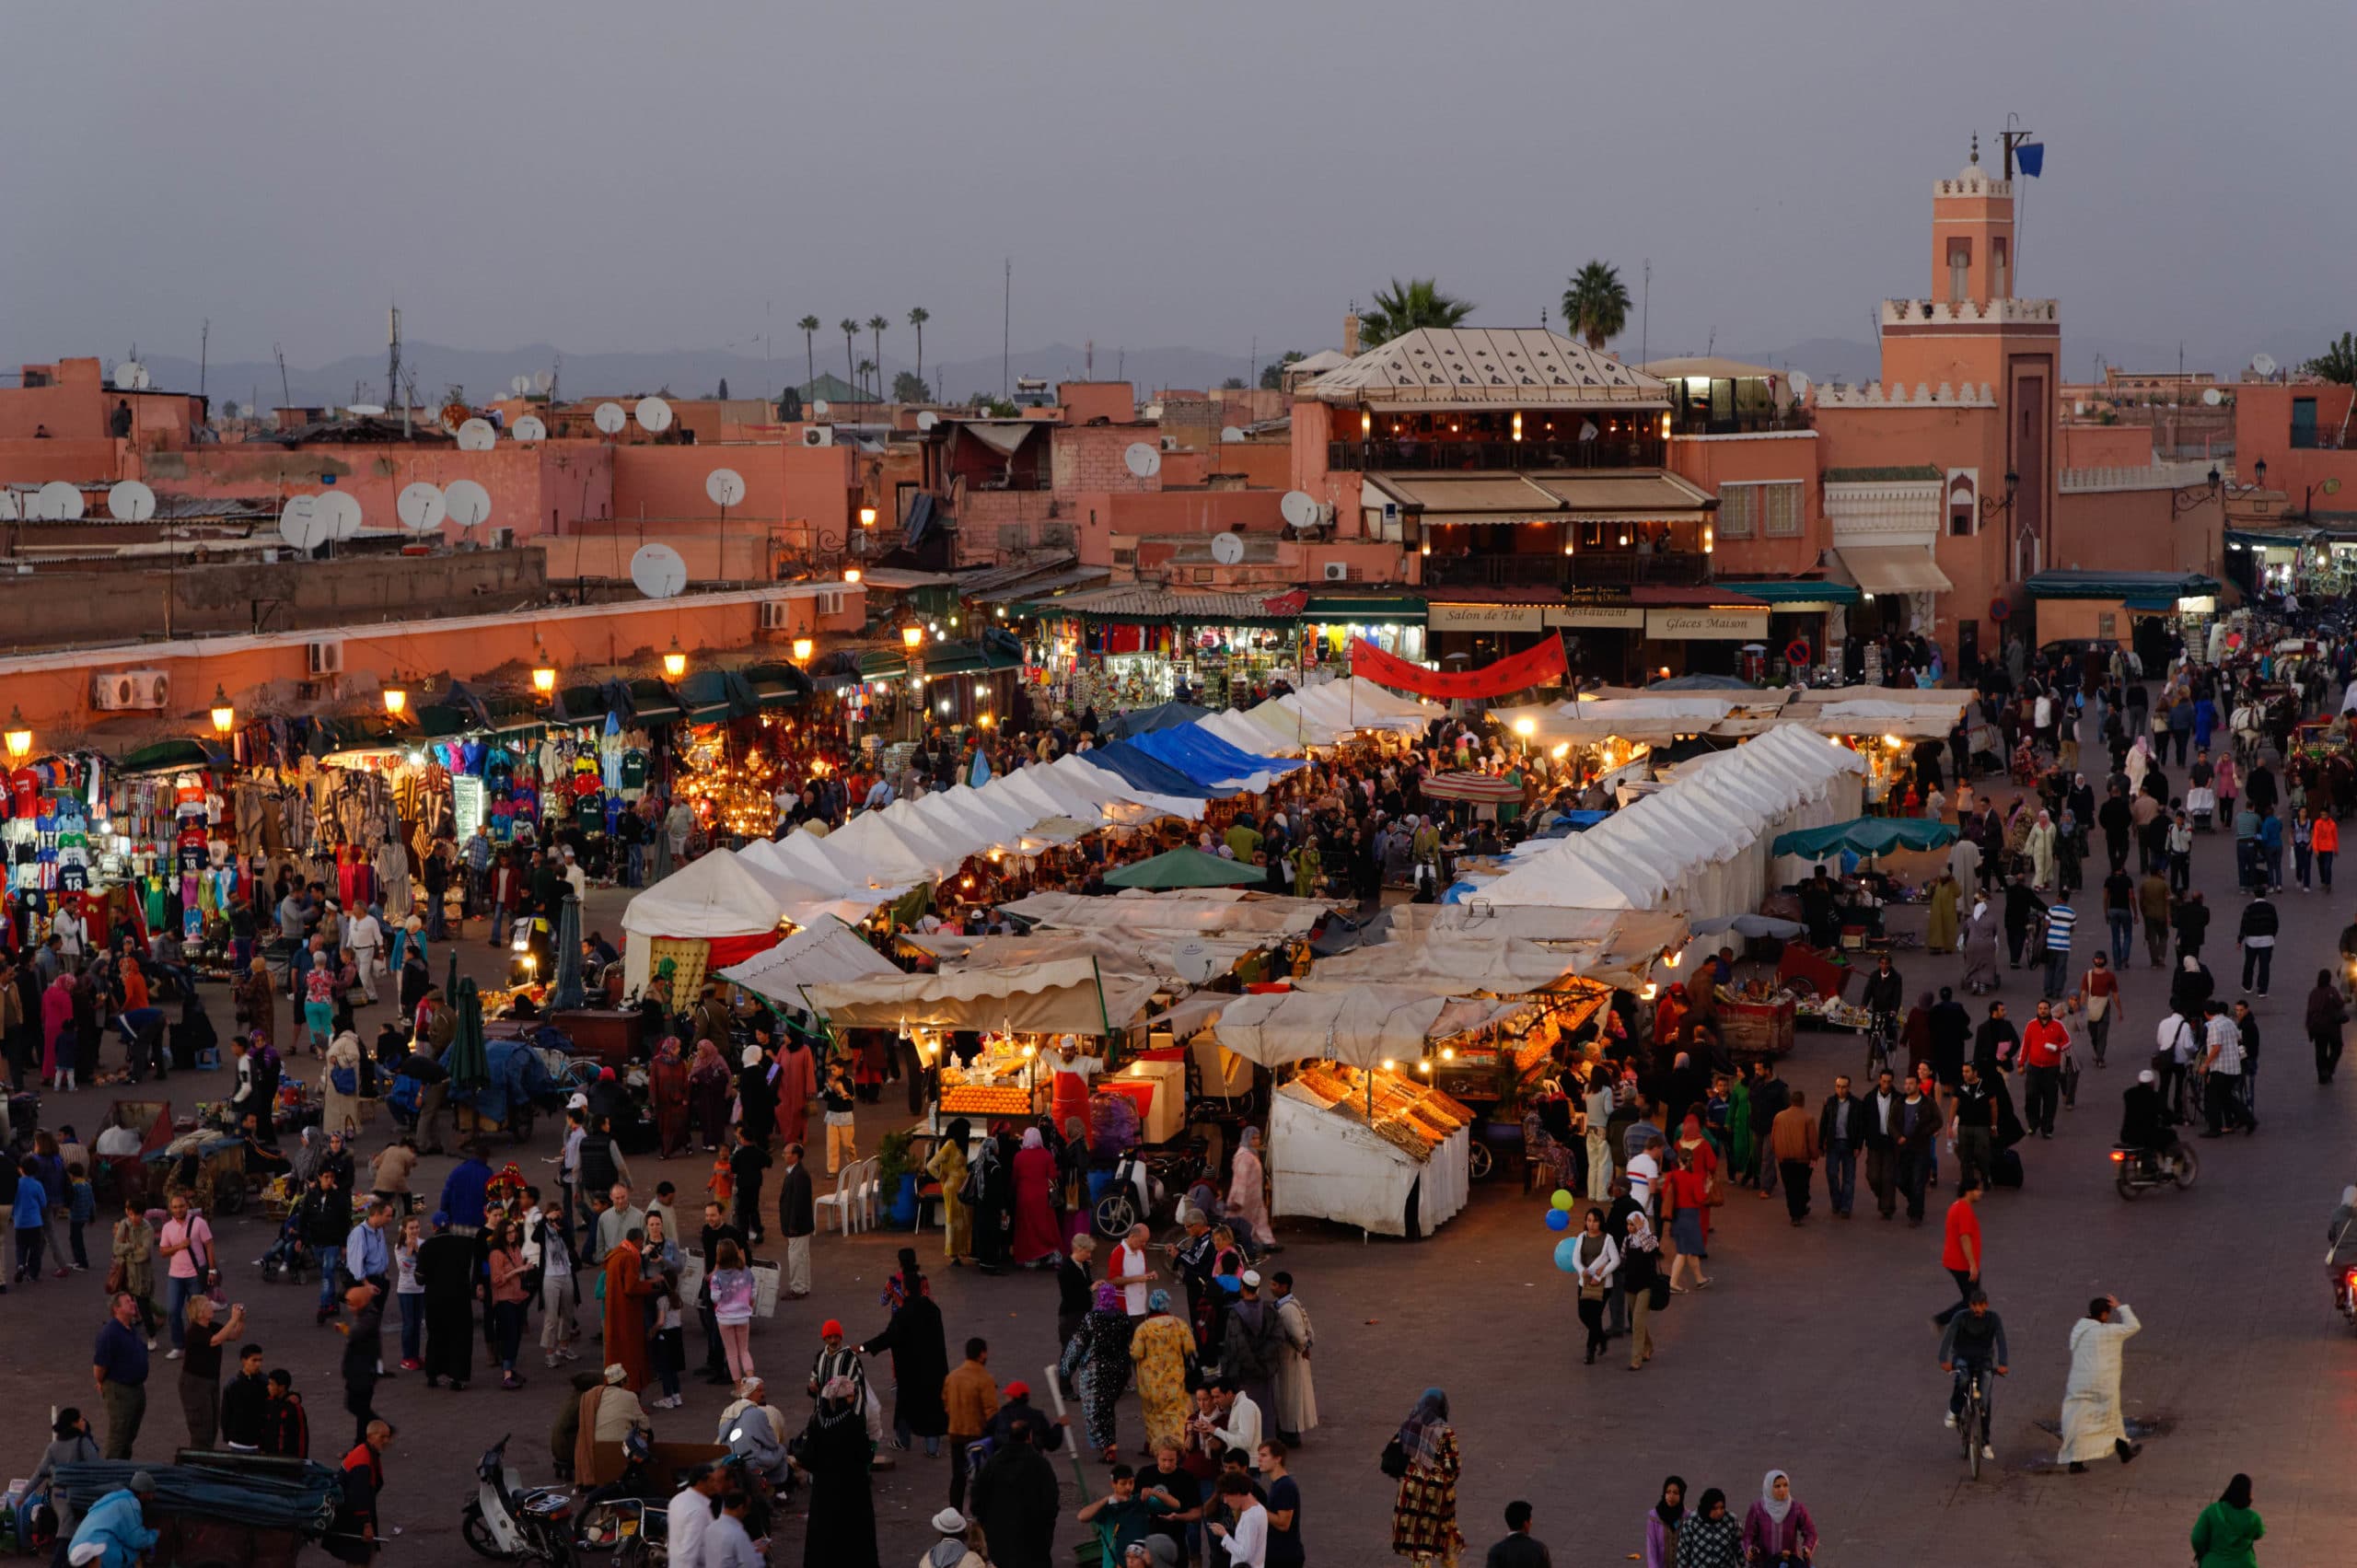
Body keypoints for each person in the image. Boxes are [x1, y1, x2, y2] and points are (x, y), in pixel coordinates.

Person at [857, 1262, 949, 1457]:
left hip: (910, 1371)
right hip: (933, 1369)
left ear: (905, 1289)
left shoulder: (904, 1314)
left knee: (906, 1405)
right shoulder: (933, 1310)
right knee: (932, 1407)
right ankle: (932, 1448)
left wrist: (863, 1347)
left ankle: (903, 1441)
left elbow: (888, 1338)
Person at [795, 1375, 882, 1568]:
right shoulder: (853, 1422)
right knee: (854, 1537)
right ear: (842, 1400)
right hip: (852, 1491)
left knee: (825, 1536)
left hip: (824, 1492)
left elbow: (808, 1456)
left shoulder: (817, 1420)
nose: (853, 1399)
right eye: (850, 1396)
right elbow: (865, 1455)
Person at [2058, 1294, 2144, 1472]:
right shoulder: (2109, 1331)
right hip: (2103, 1385)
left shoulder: (2079, 1329)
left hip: (2079, 1383)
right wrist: (2121, 1306)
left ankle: (2076, 1462)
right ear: (2104, 1315)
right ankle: (2124, 1452)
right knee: (2111, 1419)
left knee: (2078, 1422)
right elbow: (2134, 1326)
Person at [970, 1414, 1062, 1568]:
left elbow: (977, 1495)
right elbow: (1051, 1499)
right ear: (1029, 1437)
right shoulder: (1040, 1464)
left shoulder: (993, 1463)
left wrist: (984, 1521)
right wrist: (1046, 1524)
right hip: (1034, 1538)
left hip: (1000, 1536)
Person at [1063, 1282, 1135, 1462]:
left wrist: (1065, 1368)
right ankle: (1109, 1444)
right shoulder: (1124, 1319)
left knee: (1096, 1409)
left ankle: (1107, 1446)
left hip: (1095, 1373)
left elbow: (1078, 1345)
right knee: (1107, 1407)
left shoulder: (1091, 1319)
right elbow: (1131, 1345)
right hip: (1119, 1372)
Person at [1389, 1388, 1462, 1566]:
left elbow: (1397, 1455)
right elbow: (1453, 1467)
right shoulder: (1444, 1432)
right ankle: (1449, 1564)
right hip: (1437, 1492)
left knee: (1419, 1543)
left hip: (1411, 1490)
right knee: (1443, 1533)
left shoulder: (1409, 1425)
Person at [1937, 1288, 2009, 1460]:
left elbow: (2001, 1340)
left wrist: (2003, 1363)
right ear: (1970, 1306)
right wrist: (1943, 1360)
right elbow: (1948, 1338)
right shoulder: (1960, 1317)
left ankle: (1985, 1442)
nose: (1977, 1309)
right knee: (1962, 1377)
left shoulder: (1993, 1319)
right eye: (1974, 1306)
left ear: (1986, 1305)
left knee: (1985, 1402)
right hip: (1963, 1357)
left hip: (1984, 1359)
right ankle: (1954, 1410)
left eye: (1980, 1306)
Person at [414, 1212, 477, 1390]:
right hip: (459, 1298)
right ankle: (457, 1378)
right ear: (450, 1225)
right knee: (460, 1337)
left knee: (436, 1336)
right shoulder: (464, 1244)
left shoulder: (427, 1246)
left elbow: (420, 1278)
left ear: (434, 1227)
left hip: (435, 1299)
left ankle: (433, 1374)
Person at [1131, 1289, 1197, 1456]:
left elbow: (1136, 1353)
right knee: (1177, 1415)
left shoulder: (1143, 1328)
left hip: (1151, 1384)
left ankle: (1157, 1447)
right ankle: (1179, 1447)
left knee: (1154, 1417)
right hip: (1175, 1381)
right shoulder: (1179, 1324)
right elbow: (1190, 1347)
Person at [178, 1294, 246, 1448]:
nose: (212, 1307)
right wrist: (233, 1319)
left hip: (210, 1381)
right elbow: (215, 1340)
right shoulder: (194, 1331)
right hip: (195, 1384)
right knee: (201, 1428)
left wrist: (240, 1320)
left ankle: (205, 1460)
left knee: (212, 1425)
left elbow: (234, 1335)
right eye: (208, 1305)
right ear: (200, 1312)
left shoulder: (211, 1326)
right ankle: (198, 1463)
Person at [943, 1337, 1000, 1514]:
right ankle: (979, 1521)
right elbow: (991, 1412)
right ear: (982, 1354)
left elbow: (945, 1403)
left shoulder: (952, 1377)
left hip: (956, 1433)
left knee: (958, 1479)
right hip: (977, 1436)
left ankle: (955, 1517)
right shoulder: (984, 1378)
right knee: (980, 1480)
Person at [92, 1293, 150, 1458]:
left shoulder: (130, 1329)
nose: (133, 1304)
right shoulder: (110, 1333)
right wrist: (101, 1382)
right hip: (120, 1390)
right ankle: (111, 1475)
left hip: (135, 1388)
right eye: (127, 1302)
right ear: (116, 1308)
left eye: (132, 1301)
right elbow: (99, 1366)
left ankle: (122, 1468)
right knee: (119, 1436)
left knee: (129, 1435)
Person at [65, 1469, 157, 1568]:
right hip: (98, 1551)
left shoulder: (110, 1498)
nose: (152, 1498)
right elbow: (137, 1540)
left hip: (74, 1550)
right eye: (151, 1493)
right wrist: (154, 1535)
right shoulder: (130, 1504)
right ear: (144, 1492)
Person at [1268, 1272, 1317, 1446]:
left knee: (1289, 1396)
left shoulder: (1287, 1308)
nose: (1271, 1288)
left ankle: (1290, 1432)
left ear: (1284, 1287)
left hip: (1290, 1358)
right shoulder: (1291, 1303)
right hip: (1292, 1356)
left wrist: (1303, 1347)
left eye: (1274, 1285)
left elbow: (1298, 1334)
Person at [335, 1419, 393, 1562]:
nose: (386, 1441)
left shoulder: (366, 1451)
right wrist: (366, 1525)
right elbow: (358, 1496)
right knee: (360, 1559)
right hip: (355, 1517)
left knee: (360, 1558)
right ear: (370, 1436)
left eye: (388, 1436)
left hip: (352, 1512)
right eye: (382, 1437)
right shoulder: (363, 1461)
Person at [1933, 1178, 1986, 1329]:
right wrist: (1972, 1265)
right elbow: (1965, 1238)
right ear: (1969, 1191)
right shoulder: (1964, 1210)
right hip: (1961, 1264)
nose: (1980, 1193)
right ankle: (1942, 1320)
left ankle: (1959, 1323)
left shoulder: (1956, 1206)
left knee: (1971, 1299)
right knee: (1973, 1300)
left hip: (1954, 1261)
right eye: (1978, 1190)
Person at [1737, 1471, 1816, 1568]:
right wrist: (1749, 1550)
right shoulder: (1757, 1509)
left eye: (1785, 1485)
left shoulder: (1796, 1508)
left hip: (1789, 1562)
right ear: (1768, 1488)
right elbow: (1748, 1535)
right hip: (1763, 1563)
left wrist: (1807, 1548)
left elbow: (1810, 1533)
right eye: (1777, 1486)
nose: (1782, 1489)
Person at [2019, 999, 2071, 1139]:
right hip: (2034, 1068)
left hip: (2051, 1069)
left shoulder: (2058, 1025)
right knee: (2031, 1096)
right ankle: (2032, 1124)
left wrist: (2058, 1048)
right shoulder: (2031, 1025)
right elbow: (2025, 1045)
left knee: (2050, 1100)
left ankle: (2047, 1128)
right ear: (2037, 1010)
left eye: (2045, 1008)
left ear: (2049, 1010)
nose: (2043, 1011)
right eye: (2040, 1008)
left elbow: (2068, 1042)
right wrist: (2021, 1063)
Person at [1010, 1127, 1062, 1267]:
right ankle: (1051, 1253)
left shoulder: (1019, 1156)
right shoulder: (1046, 1155)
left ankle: (1031, 1258)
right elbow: (1052, 1175)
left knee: (1027, 1228)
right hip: (1043, 1196)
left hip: (1024, 1196)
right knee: (1046, 1225)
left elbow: (1014, 1178)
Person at [2190, 1473, 2264, 1568]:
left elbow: (2197, 1539)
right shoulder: (2253, 1518)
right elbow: (2259, 1534)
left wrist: (2204, 1554)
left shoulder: (2212, 1511)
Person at [1768, 1088, 1818, 1225]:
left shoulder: (1779, 1117)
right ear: (1803, 1101)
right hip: (1802, 1159)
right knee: (1802, 1185)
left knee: (1790, 1187)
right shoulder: (1808, 1118)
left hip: (1784, 1159)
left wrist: (1778, 1153)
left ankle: (1794, 1214)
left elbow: (1773, 1138)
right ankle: (1800, 1209)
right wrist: (1815, 1156)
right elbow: (1812, 1140)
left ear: (1791, 1101)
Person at [665, 1462, 726, 1568]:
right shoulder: (698, 1511)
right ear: (701, 1482)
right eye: (712, 1481)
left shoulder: (677, 1499)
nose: (715, 1485)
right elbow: (689, 1555)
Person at [1226, 1128, 1275, 1249]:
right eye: (1253, 1138)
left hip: (1253, 1196)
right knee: (1246, 1222)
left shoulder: (1251, 1153)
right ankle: (1250, 1245)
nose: (1256, 1141)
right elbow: (1240, 1179)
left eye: (1258, 1138)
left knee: (1259, 1219)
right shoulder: (1244, 1156)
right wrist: (1238, 1200)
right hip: (1245, 1198)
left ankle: (1266, 1242)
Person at [1207, 1471, 1266, 1568]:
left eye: (1226, 1496)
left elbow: (1244, 1556)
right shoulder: (1256, 1509)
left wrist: (1224, 1534)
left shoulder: (1250, 1517)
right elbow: (1246, 1546)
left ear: (1238, 1493)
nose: (1225, 1501)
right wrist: (1228, 1544)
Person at [1671, 1488, 1738, 1568]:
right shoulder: (1692, 1522)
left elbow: (1739, 1547)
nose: (1719, 1512)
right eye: (1715, 1508)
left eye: (1722, 1507)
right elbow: (1683, 1552)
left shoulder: (1731, 1520)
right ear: (1707, 1507)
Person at [1640, 1481, 1683, 1568]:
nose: (1671, 1496)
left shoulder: (1687, 1517)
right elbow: (1651, 1548)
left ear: (1681, 1495)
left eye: (1675, 1493)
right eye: (1668, 1492)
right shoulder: (1654, 1518)